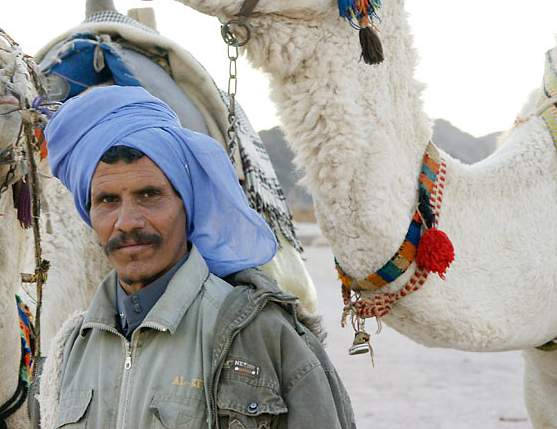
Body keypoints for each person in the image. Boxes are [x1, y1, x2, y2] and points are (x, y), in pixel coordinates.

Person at [31, 85, 355, 429]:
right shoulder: (68, 355)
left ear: (187, 203)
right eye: (108, 201)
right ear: (89, 212)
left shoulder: (262, 336)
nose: (127, 221)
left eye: (149, 195)